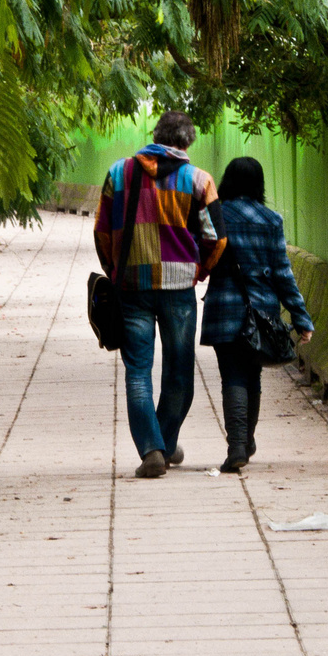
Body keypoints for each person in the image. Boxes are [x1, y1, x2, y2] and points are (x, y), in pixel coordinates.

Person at [95, 111, 227, 479]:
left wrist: (115, 270)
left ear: (155, 136)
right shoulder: (199, 181)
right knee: (179, 373)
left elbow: (102, 230)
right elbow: (218, 238)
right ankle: (164, 442)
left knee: (138, 371)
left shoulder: (118, 173)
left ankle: (155, 448)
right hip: (178, 289)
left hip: (132, 286)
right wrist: (200, 270)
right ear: (187, 142)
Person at [200, 156, 314, 473]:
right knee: (253, 375)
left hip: (223, 307)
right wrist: (301, 319)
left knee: (232, 376)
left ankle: (238, 446)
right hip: (261, 310)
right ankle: (245, 441)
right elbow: (283, 274)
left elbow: (203, 256)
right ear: (259, 184)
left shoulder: (215, 214)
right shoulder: (271, 220)